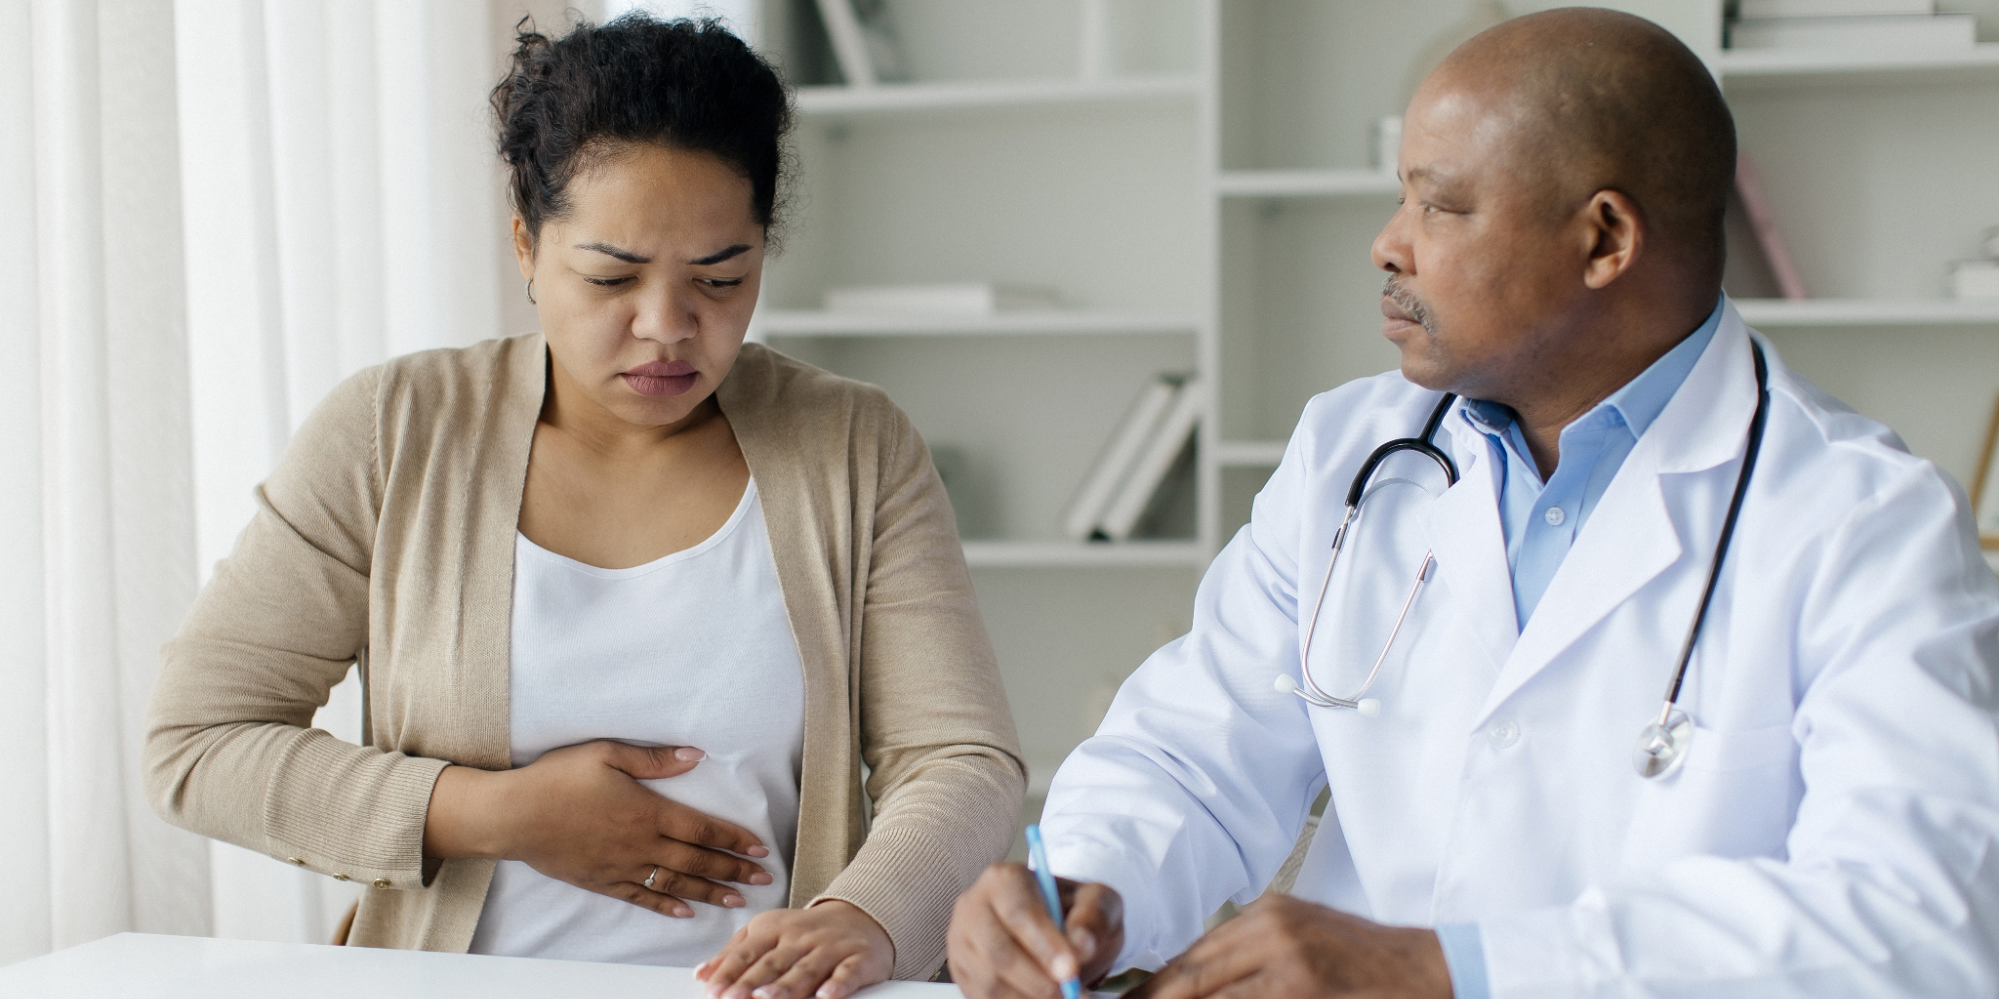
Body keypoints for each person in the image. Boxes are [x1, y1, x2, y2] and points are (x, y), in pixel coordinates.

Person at [947, 8, 1999, 997]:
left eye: (1439, 204)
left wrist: (1454, 968)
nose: (1388, 243)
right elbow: (1192, 753)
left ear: (1603, 241)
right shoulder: (1349, 454)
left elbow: (1920, 916)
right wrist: (1079, 892)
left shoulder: (1864, 520)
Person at [145, 15, 1023, 999]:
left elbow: (961, 759)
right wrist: (494, 813)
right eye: (611, 276)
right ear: (527, 245)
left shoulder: (854, 446)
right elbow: (196, 742)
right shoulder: (394, 432)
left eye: (720, 279)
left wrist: (861, 918)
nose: (666, 327)